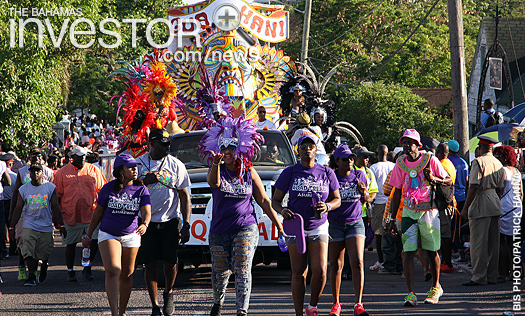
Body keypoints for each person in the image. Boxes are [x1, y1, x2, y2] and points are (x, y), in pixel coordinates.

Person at [200, 117, 285, 316]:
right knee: (220, 272)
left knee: (242, 267)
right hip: (219, 230)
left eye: (231, 147)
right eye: (224, 148)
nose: (227, 152)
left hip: (245, 225)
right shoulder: (217, 169)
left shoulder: (248, 171)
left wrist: (279, 226)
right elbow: (213, 183)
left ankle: (242, 310)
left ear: (239, 149)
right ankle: (218, 302)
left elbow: (264, 201)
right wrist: (215, 164)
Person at [272, 135, 341, 316]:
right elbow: (275, 201)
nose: (307, 149)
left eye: (311, 146)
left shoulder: (327, 172)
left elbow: (337, 200)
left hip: (318, 225)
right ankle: (299, 313)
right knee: (299, 272)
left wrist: (327, 206)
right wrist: (283, 211)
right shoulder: (290, 172)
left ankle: (312, 306)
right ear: (298, 150)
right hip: (296, 226)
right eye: (303, 147)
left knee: (320, 270)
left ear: (316, 150)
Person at [82, 154, 152, 316]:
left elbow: (146, 211)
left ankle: (122, 311)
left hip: (132, 234)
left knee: (127, 274)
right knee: (113, 269)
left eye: (136, 167)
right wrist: (89, 235)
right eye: (130, 167)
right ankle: (114, 312)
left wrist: (145, 224)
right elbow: (98, 213)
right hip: (109, 233)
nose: (135, 170)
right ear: (121, 171)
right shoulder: (108, 188)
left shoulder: (141, 189)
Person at [388, 129, 451, 306]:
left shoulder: (430, 160)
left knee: (431, 251)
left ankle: (436, 287)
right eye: (404, 142)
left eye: (410, 142)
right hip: (408, 212)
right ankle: (410, 293)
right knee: (408, 252)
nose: (407, 145)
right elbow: (397, 191)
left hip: (429, 212)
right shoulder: (400, 163)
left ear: (418, 145)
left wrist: (434, 179)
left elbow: (448, 180)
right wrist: (393, 219)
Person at [136, 129, 191, 316]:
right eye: (163, 144)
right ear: (151, 143)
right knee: (149, 264)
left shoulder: (176, 165)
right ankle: (154, 305)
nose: (167, 147)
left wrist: (187, 224)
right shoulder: (139, 164)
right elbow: (129, 189)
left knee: (170, 262)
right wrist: (145, 181)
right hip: (146, 223)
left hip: (170, 220)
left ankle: (168, 292)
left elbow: (184, 195)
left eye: (169, 144)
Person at [53, 146, 107, 282]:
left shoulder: (94, 170)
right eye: (79, 156)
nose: (82, 158)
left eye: (84, 156)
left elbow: (102, 191)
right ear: (72, 157)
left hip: (91, 214)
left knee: (93, 242)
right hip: (71, 215)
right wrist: (58, 221)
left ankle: (87, 268)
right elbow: (57, 197)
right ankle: (70, 271)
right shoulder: (61, 173)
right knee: (70, 244)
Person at [327, 144, 369, 316]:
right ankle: (336, 304)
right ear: (337, 161)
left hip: (355, 222)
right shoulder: (331, 177)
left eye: (351, 158)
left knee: (357, 262)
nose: (350, 161)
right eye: (345, 159)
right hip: (335, 223)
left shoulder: (359, 175)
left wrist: (364, 192)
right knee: (337, 265)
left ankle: (358, 304)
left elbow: (366, 200)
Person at [10, 162, 65, 286]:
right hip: (29, 224)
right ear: (29, 173)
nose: (35, 173)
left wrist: (61, 225)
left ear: (42, 173)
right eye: (32, 171)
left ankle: (44, 264)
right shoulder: (23, 189)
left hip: (45, 225)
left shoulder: (50, 188)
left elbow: (55, 207)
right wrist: (12, 226)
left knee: (44, 252)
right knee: (28, 250)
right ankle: (31, 276)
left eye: (38, 171)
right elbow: (18, 208)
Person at [461, 136, 505, 286]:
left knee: (478, 244)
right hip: (494, 202)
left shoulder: (478, 162)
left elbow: (474, 186)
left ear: (480, 147)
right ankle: (492, 276)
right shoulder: (498, 163)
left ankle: (479, 277)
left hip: (480, 202)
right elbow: (501, 188)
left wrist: (465, 208)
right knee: (493, 244)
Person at [10, 148, 54, 280]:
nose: (36, 158)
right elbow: (16, 193)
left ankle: (42, 265)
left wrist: (58, 220)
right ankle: (25, 269)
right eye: (33, 156)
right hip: (25, 213)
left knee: (43, 247)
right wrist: (12, 215)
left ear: (42, 158)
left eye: (39, 156)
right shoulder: (22, 172)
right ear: (29, 158)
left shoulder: (49, 172)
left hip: (43, 214)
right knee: (22, 241)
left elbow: (52, 195)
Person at [494, 145, 522, 282]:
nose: (496, 158)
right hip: (517, 208)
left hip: (505, 208)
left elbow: (499, 190)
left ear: (504, 157)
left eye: (498, 156)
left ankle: (503, 273)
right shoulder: (516, 171)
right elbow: (521, 192)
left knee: (502, 241)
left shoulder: (503, 170)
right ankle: (516, 271)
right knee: (514, 242)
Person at [369, 144, 394, 271]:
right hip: (392, 202)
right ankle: (392, 259)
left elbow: (371, 186)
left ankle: (380, 260)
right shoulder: (393, 165)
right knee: (390, 231)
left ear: (377, 153)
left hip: (378, 202)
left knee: (378, 233)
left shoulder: (373, 167)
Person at [434, 143, 456, 273]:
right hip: (448, 202)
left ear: (442, 152)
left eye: (437, 151)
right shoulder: (448, 163)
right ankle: (444, 261)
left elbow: (444, 185)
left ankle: (447, 263)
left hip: (444, 204)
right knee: (444, 233)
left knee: (444, 234)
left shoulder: (443, 164)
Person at [446, 140, 469, 264]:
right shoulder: (464, 163)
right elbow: (467, 181)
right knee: (460, 227)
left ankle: (457, 253)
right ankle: (459, 252)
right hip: (463, 198)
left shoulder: (448, 163)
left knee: (453, 227)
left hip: (453, 198)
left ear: (449, 151)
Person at [352, 146, 377, 253]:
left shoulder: (368, 172)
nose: (367, 159)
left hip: (363, 214)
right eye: (365, 157)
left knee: (360, 245)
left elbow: (373, 191)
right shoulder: (349, 169)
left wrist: (368, 199)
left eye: (368, 157)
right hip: (350, 214)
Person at [1, 153, 18, 257]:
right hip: (12, 202)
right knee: (13, 225)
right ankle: (13, 248)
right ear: (10, 164)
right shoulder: (15, 176)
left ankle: (3, 249)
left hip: (3, 201)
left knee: (2, 227)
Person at [0, 153, 13, 259]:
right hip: (1, 198)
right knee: (1, 225)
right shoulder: (1, 165)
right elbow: (8, 182)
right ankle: (3, 251)